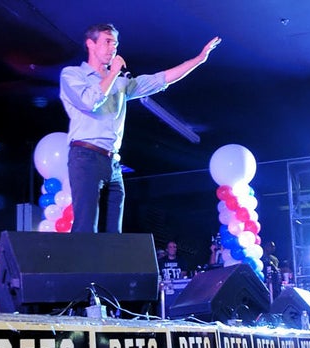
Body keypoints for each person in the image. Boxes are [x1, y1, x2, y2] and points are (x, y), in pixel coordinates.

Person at [59, 24, 221, 232]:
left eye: (115, 44)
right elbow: (90, 102)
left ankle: (111, 264)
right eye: (107, 42)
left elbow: (159, 80)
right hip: (86, 156)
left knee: (114, 234)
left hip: (113, 162)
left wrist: (198, 59)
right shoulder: (72, 75)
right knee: (85, 228)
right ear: (90, 44)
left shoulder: (120, 83)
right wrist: (114, 72)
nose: (112, 48)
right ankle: (79, 264)